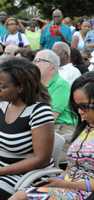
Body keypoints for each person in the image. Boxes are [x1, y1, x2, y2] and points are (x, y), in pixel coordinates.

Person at [10, 72, 94, 200]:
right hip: (68, 187)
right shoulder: (88, 125)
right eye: (76, 106)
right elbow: (72, 167)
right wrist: (58, 182)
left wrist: (67, 185)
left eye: (84, 106)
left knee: (21, 197)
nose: (79, 112)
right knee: (21, 195)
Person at [0, 57, 54, 199]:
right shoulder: (3, 104)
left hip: (26, 175)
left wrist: (2, 171)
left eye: (2, 87)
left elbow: (41, 159)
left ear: (20, 87)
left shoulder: (39, 111)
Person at [33, 49, 77, 156]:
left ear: (52, 66)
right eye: (34, 60)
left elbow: (51, 117)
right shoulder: (36, 85)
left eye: (39, 60)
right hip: (39, 128)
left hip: (60, 131)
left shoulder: (61, 85)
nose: (34, 63)